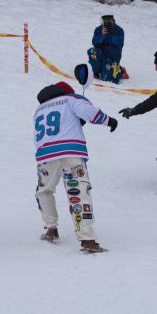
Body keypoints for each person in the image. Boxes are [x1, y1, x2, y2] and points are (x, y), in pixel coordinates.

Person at [34, 80, 118, 253]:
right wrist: (109, 121)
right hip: (71, 152)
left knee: (44, 191)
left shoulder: (39, 110)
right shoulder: (71, 99)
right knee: (78, 192)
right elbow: (89, 112)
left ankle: (51, 229)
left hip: (45, 155)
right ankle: (87, 240)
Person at [87, 14, 126, 83]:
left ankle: (119, 70)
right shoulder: (99, 29)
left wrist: (113, 35)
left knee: (105, 79)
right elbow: (94, 43)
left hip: (112, 57)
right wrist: (102, 35)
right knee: (92, 51)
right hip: (101, 54)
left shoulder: (119, 30)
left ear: (113, 22)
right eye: (104, 23)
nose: (106, 24)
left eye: (109, 23)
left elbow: (119, 45)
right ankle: (95, 71)